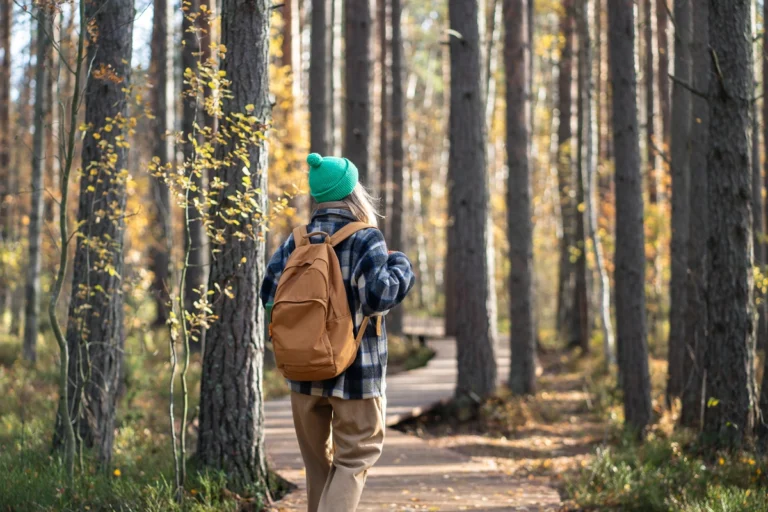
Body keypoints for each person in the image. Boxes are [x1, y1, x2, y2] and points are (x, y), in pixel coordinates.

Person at [260, 153, 415, 512]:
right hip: (357, 374)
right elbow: (377, 297)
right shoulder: (366, 239)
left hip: (302, 373)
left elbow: (268, 297)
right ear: (352, 193)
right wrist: (401, 266)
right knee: (354, 460)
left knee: (318, 468)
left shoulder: (295, 241)